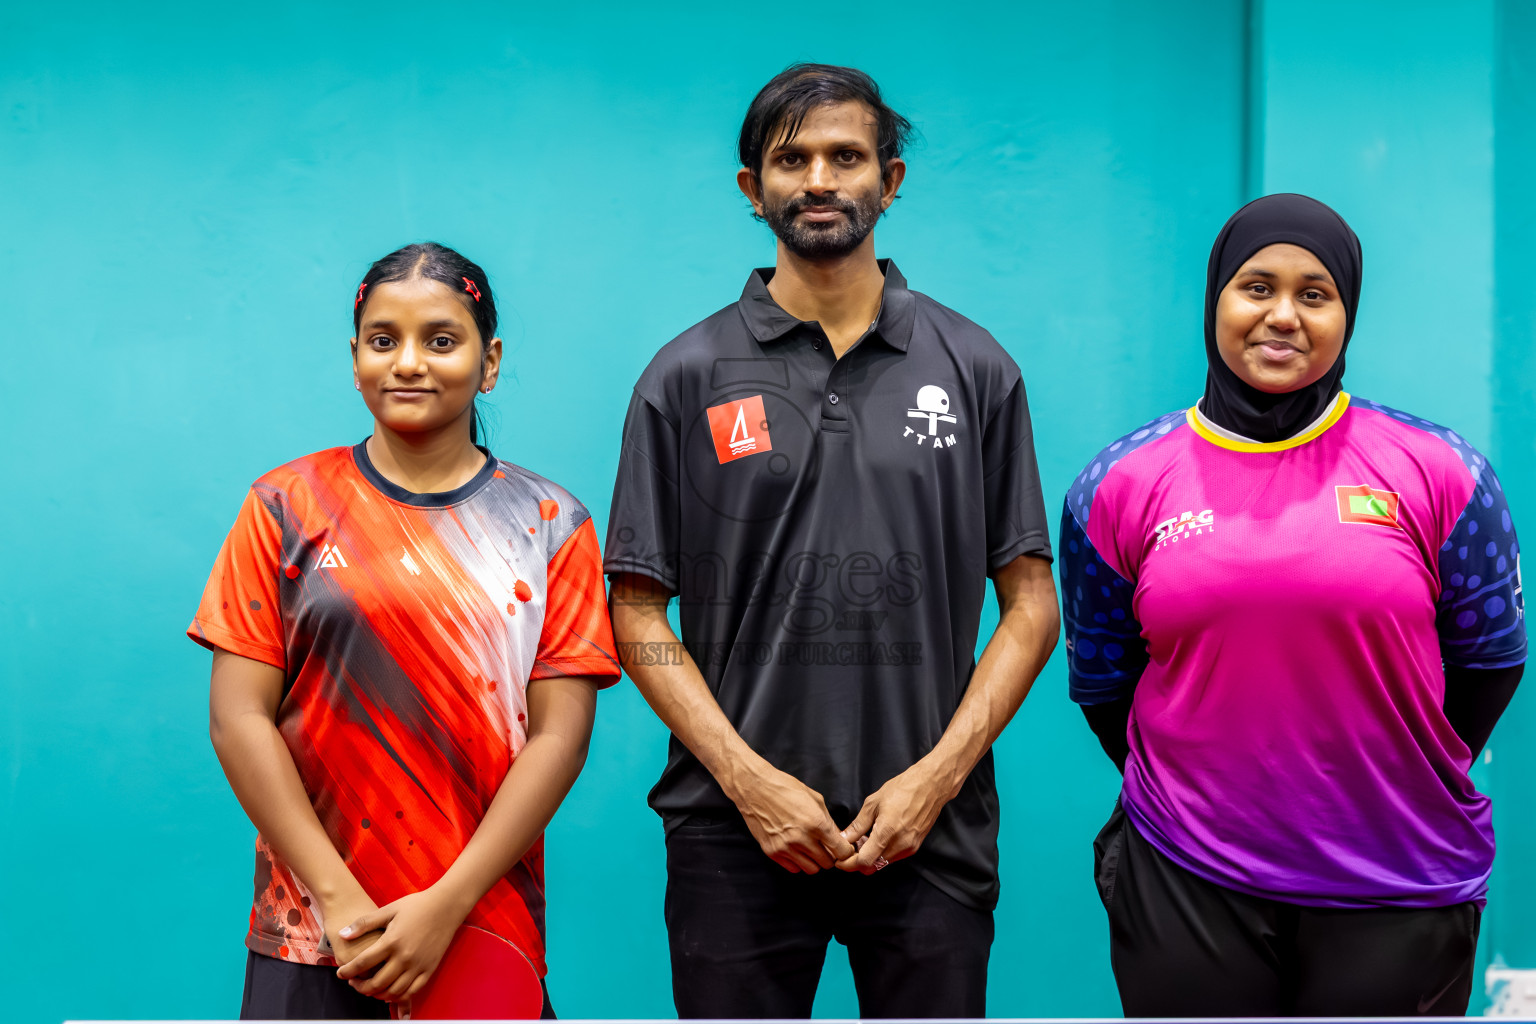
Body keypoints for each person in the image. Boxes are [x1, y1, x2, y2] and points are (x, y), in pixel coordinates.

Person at [604, 63, 1060, 1019]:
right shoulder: (684, 376)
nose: (819, 179)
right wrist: (748, 782)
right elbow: (636, 613)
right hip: (734, 831)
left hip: (930, 831)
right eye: (792, 158)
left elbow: (1030, 604)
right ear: (752, 188)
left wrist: (936, 779)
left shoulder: (976, 368)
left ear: (889, 181)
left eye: (845, 157)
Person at [1059, 193, 1526, 1016]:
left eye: (1315, 294)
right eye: (1257, 287)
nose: (1283, 316)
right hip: (1187, 875)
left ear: (1348, 314)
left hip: (1399, 876)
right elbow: (1104, 683)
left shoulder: (1443, 471)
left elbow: (1489, 663)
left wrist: (1389, 768)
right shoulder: (1118, 484)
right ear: (1216, 300)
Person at [189, 242, 620, 1020]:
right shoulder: (284, 505)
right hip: (313, 929)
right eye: (383, 340)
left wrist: (448, 904)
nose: (409, 363)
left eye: (441, 340)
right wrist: (338, 899)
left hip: (482, 926)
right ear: (354, 360)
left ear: (489, 363)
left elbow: (560, 739)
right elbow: (238, 717)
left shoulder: (553, 523)